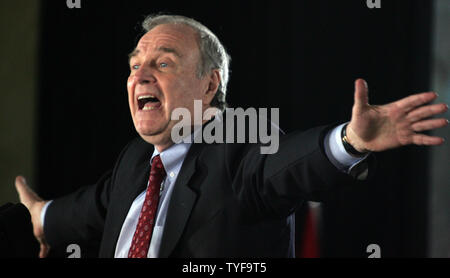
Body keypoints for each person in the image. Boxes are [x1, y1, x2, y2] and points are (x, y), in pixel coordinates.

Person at [15, 14, 448, 258]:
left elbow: (287, 164)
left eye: (163, 63)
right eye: (134, 65)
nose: (140, 74)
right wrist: (42, 217)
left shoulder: (239, 148)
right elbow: (91, 208)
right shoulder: (135, 161)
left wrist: (350, 140)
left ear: (209, 85)